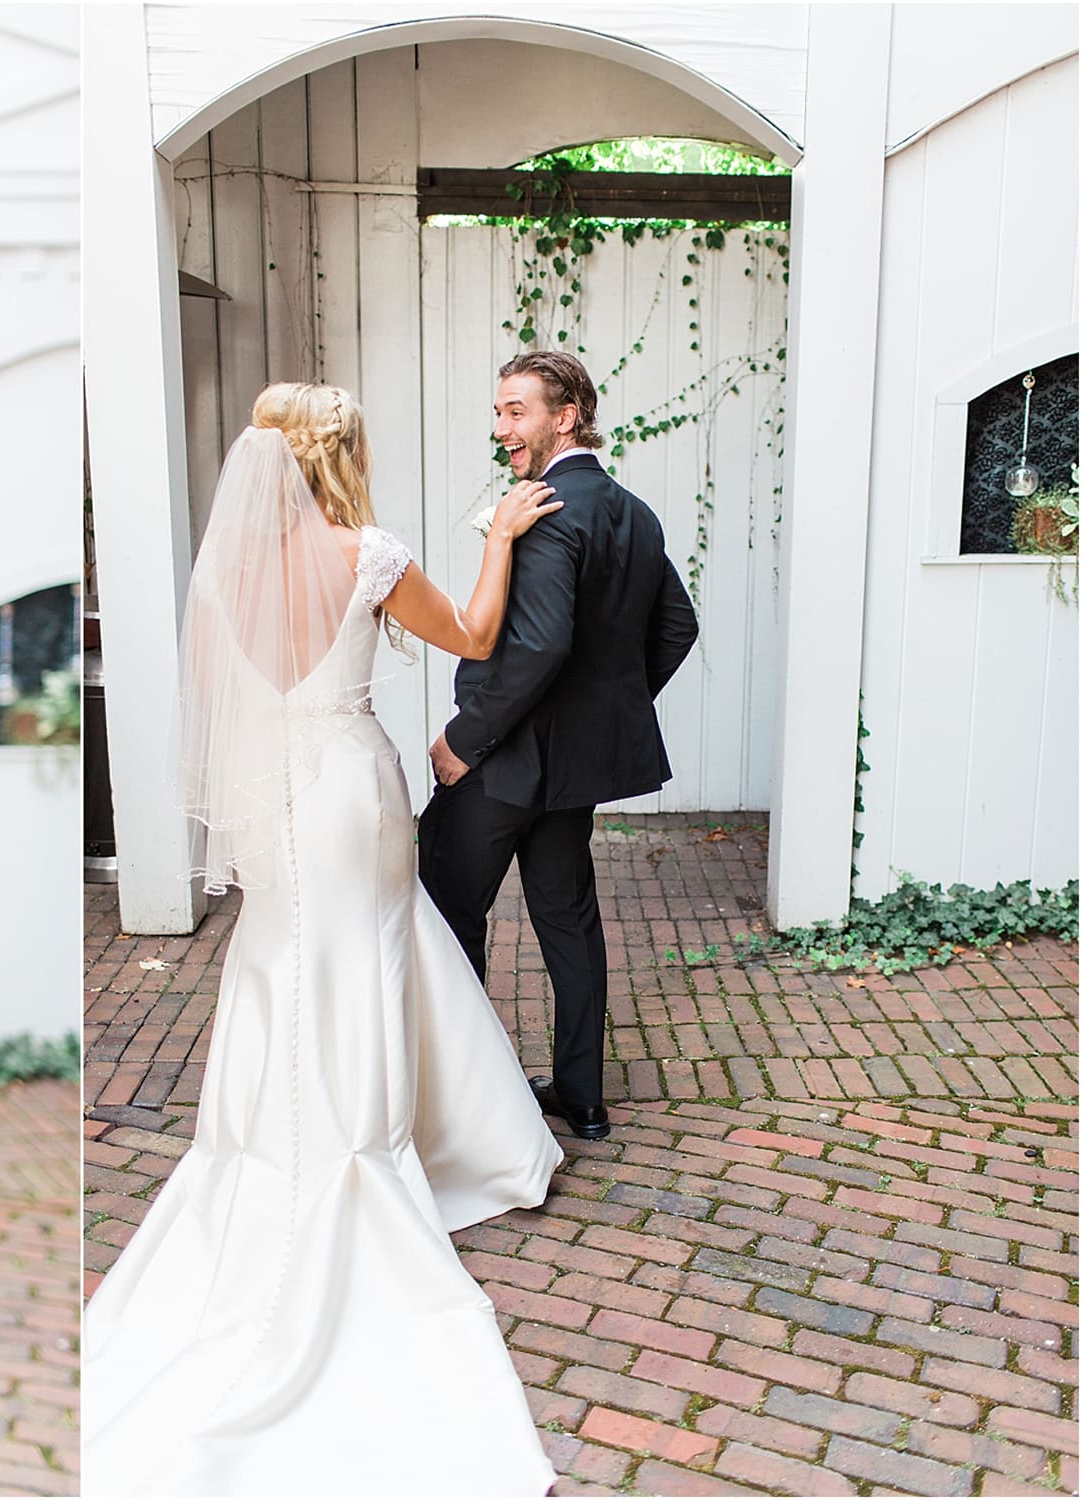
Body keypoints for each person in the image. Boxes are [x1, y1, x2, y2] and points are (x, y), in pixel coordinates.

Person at [83, 382, 568, 1496]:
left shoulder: (224, 571)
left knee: (284, 959)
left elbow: (221, 701)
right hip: (350, 785)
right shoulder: (371, 552)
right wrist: (497, 536)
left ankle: (275, 1144)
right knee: (370, 952)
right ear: (340, 451)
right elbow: (479, 634)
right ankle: (368, 1147)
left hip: (275, 798)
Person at [421, 350, 700, 1142]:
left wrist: (464, 740)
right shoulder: (633, 512)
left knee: (447, 920)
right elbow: (677, 625)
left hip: (499, 760)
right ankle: (581, 1095)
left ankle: (466, 1103)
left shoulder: (542, 508)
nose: (500, 426)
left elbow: (538, 647)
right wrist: (598, 710)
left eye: (515, 410)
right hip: (568, 769)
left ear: (565, 416)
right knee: (569, 924)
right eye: (500, 410)